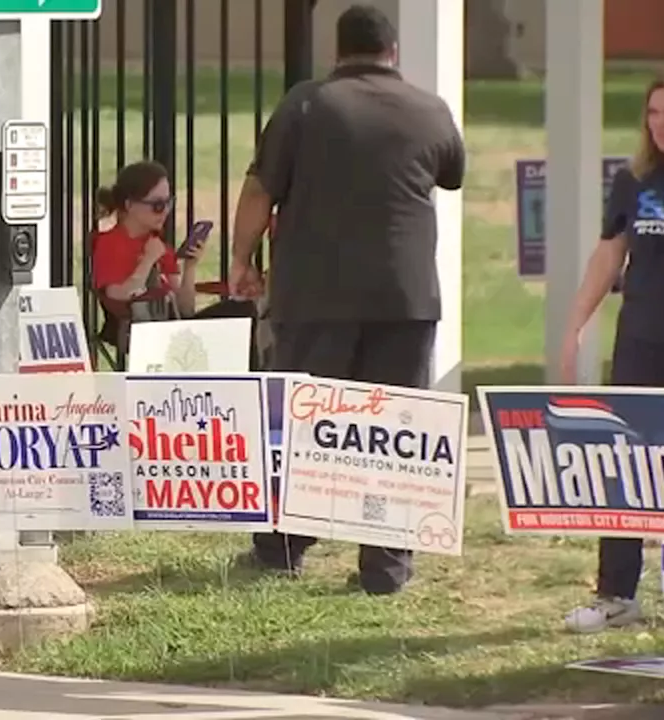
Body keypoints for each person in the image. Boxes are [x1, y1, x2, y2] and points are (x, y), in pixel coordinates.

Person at [229, 4, 465, 595]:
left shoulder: (306, 104)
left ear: (338, 51)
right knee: (393, 431)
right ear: (393, 53)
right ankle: (386, 569)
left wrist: (241, 259)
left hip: (316, 293)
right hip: (405, 297)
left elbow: (260, 186)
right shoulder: (430, 109)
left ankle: (283, 546)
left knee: (305, 422)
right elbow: (452, 173)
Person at [559, 70, 664, 633]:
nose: (661, 124)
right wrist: (576, 325)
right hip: (642, 342)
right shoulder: (634, 180)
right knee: (628, 467)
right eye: (654, 113)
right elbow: (608, 257)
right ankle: (616, 594)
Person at [91, 161, 207, 333]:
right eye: (158, 206)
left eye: (169, 203)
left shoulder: (157, 244)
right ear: (129, 205)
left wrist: (190, 267)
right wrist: (147, 260)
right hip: (137, 329)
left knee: (241, 313)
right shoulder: (110, 243)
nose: (166, 211)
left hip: (171, 326)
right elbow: (119, 296)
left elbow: (186, 310)